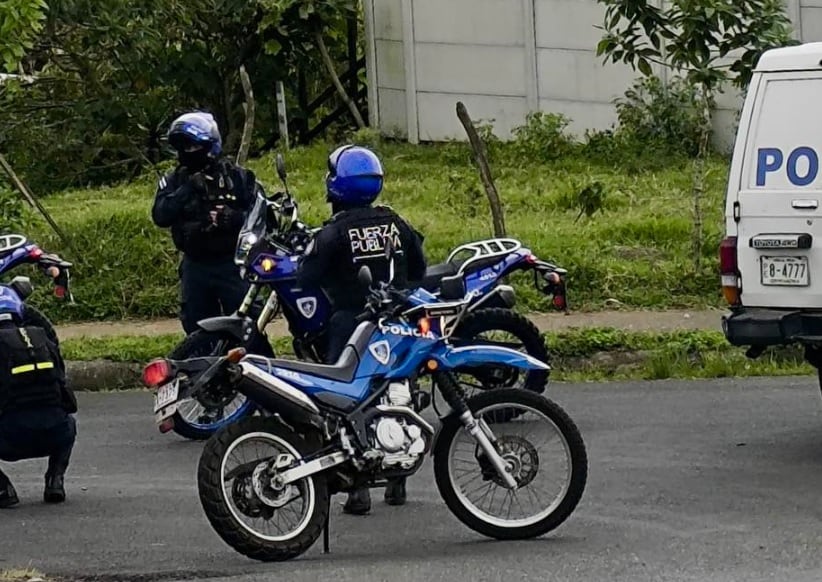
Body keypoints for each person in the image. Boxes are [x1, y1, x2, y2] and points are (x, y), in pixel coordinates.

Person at [296, 144, 427, 515]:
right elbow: (419, 266)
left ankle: (358, 491)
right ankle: (398, 481)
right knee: (400, 393)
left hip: (352, 324)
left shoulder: (334, 232)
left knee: (348, 400)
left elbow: (306, 276)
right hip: (399, 322)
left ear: (336, 185)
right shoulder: (396, 222)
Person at [152, 111, 261, 334]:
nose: (187, 152)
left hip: (232, 264)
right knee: (196, 326)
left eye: (192, 146)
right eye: (183, 147)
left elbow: (261, 213)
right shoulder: (175, 180)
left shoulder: (238, 177)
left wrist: (233, 218)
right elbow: (160, 216)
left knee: (247, 324)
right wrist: (187, 190)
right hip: (196, 264)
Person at [0, 310, 77, 507]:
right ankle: (55, 480)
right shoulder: (43, 341)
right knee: (70, 422)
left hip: (10, 440)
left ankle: (3, 489)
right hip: (56, 435)